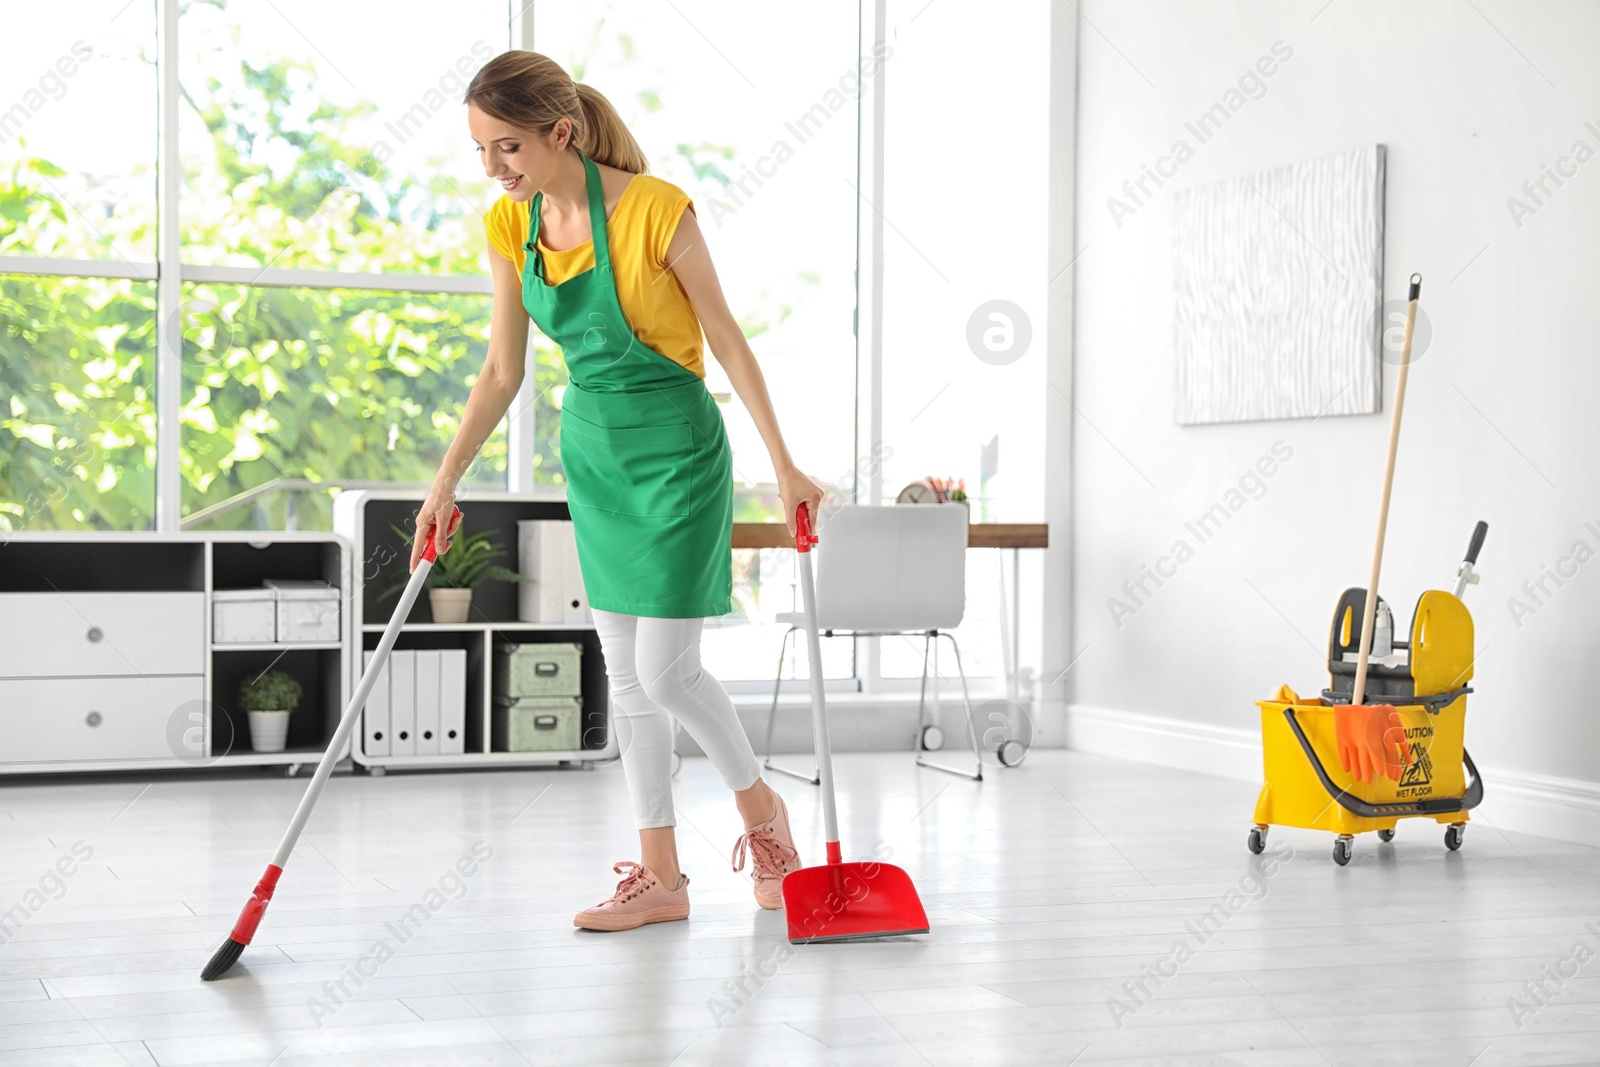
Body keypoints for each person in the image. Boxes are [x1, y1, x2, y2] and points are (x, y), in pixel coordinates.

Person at [408, 50, 824, 932]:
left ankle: (764, 819)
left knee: (667, 672)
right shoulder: (509, 227)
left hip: (675, 452)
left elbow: (729, 340)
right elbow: (500, 368)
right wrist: (444, 483)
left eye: (508, 147)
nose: (493, 169)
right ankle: (661, 877)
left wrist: (784, 464)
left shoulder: (655, 210)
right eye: (482, 149)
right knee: (627, 682)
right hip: (594, 454)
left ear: (560, 132)